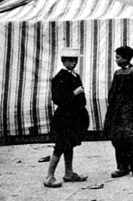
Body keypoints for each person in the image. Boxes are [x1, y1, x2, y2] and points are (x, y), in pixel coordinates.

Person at [44, 47, 90, 188]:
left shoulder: (75, 76)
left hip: (75, 117)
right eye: (70, 60)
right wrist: (74, 93)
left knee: (69, 145)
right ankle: (49, 176)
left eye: (75, 60)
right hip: (64, 118)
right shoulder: (59, 78)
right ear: (63, 61)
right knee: (60, 146)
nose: (74, 63)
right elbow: (58, 99)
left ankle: (68, 173)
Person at [102, 46, 133, 179]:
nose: (116, 60)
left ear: (126, 58)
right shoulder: (117, 73)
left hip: (128, 112)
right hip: (116, 111)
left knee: (128, 140)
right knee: (116, 139)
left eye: (118, 57)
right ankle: (122, 167)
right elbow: (112, 92)